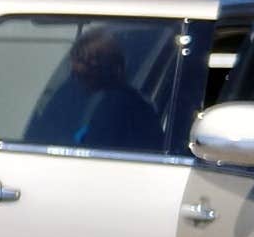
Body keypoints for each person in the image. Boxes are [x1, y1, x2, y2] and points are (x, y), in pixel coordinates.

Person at [24, 26, 162, 152]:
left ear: (101, 67)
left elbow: (93, 149)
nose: (75, 71)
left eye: (83, 62)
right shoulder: (69, 97)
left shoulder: (118, 105)